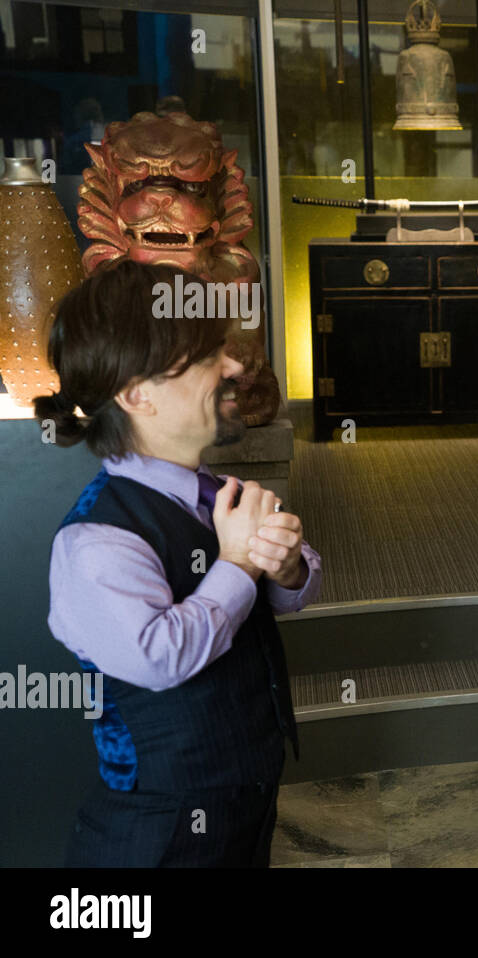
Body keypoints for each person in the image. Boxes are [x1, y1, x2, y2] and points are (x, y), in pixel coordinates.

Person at [36, 260, 323, 867]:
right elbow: (160, 656)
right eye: (207, 355)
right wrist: (242, 562)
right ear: (136, 393)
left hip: (242, 805)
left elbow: (290, 589)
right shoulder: (95, 541)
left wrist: (289, 567)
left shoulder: (212, 490)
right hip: (156, 840)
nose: (235, 367)